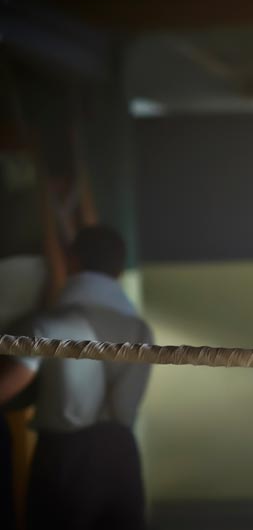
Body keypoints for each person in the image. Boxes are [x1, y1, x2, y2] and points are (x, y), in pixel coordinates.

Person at [0, 225, 153, 530]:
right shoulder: (139, 329)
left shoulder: (50, 324)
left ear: (72, 260)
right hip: (124, 457)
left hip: (66, 459)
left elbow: (5, 389)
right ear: (119, 269)